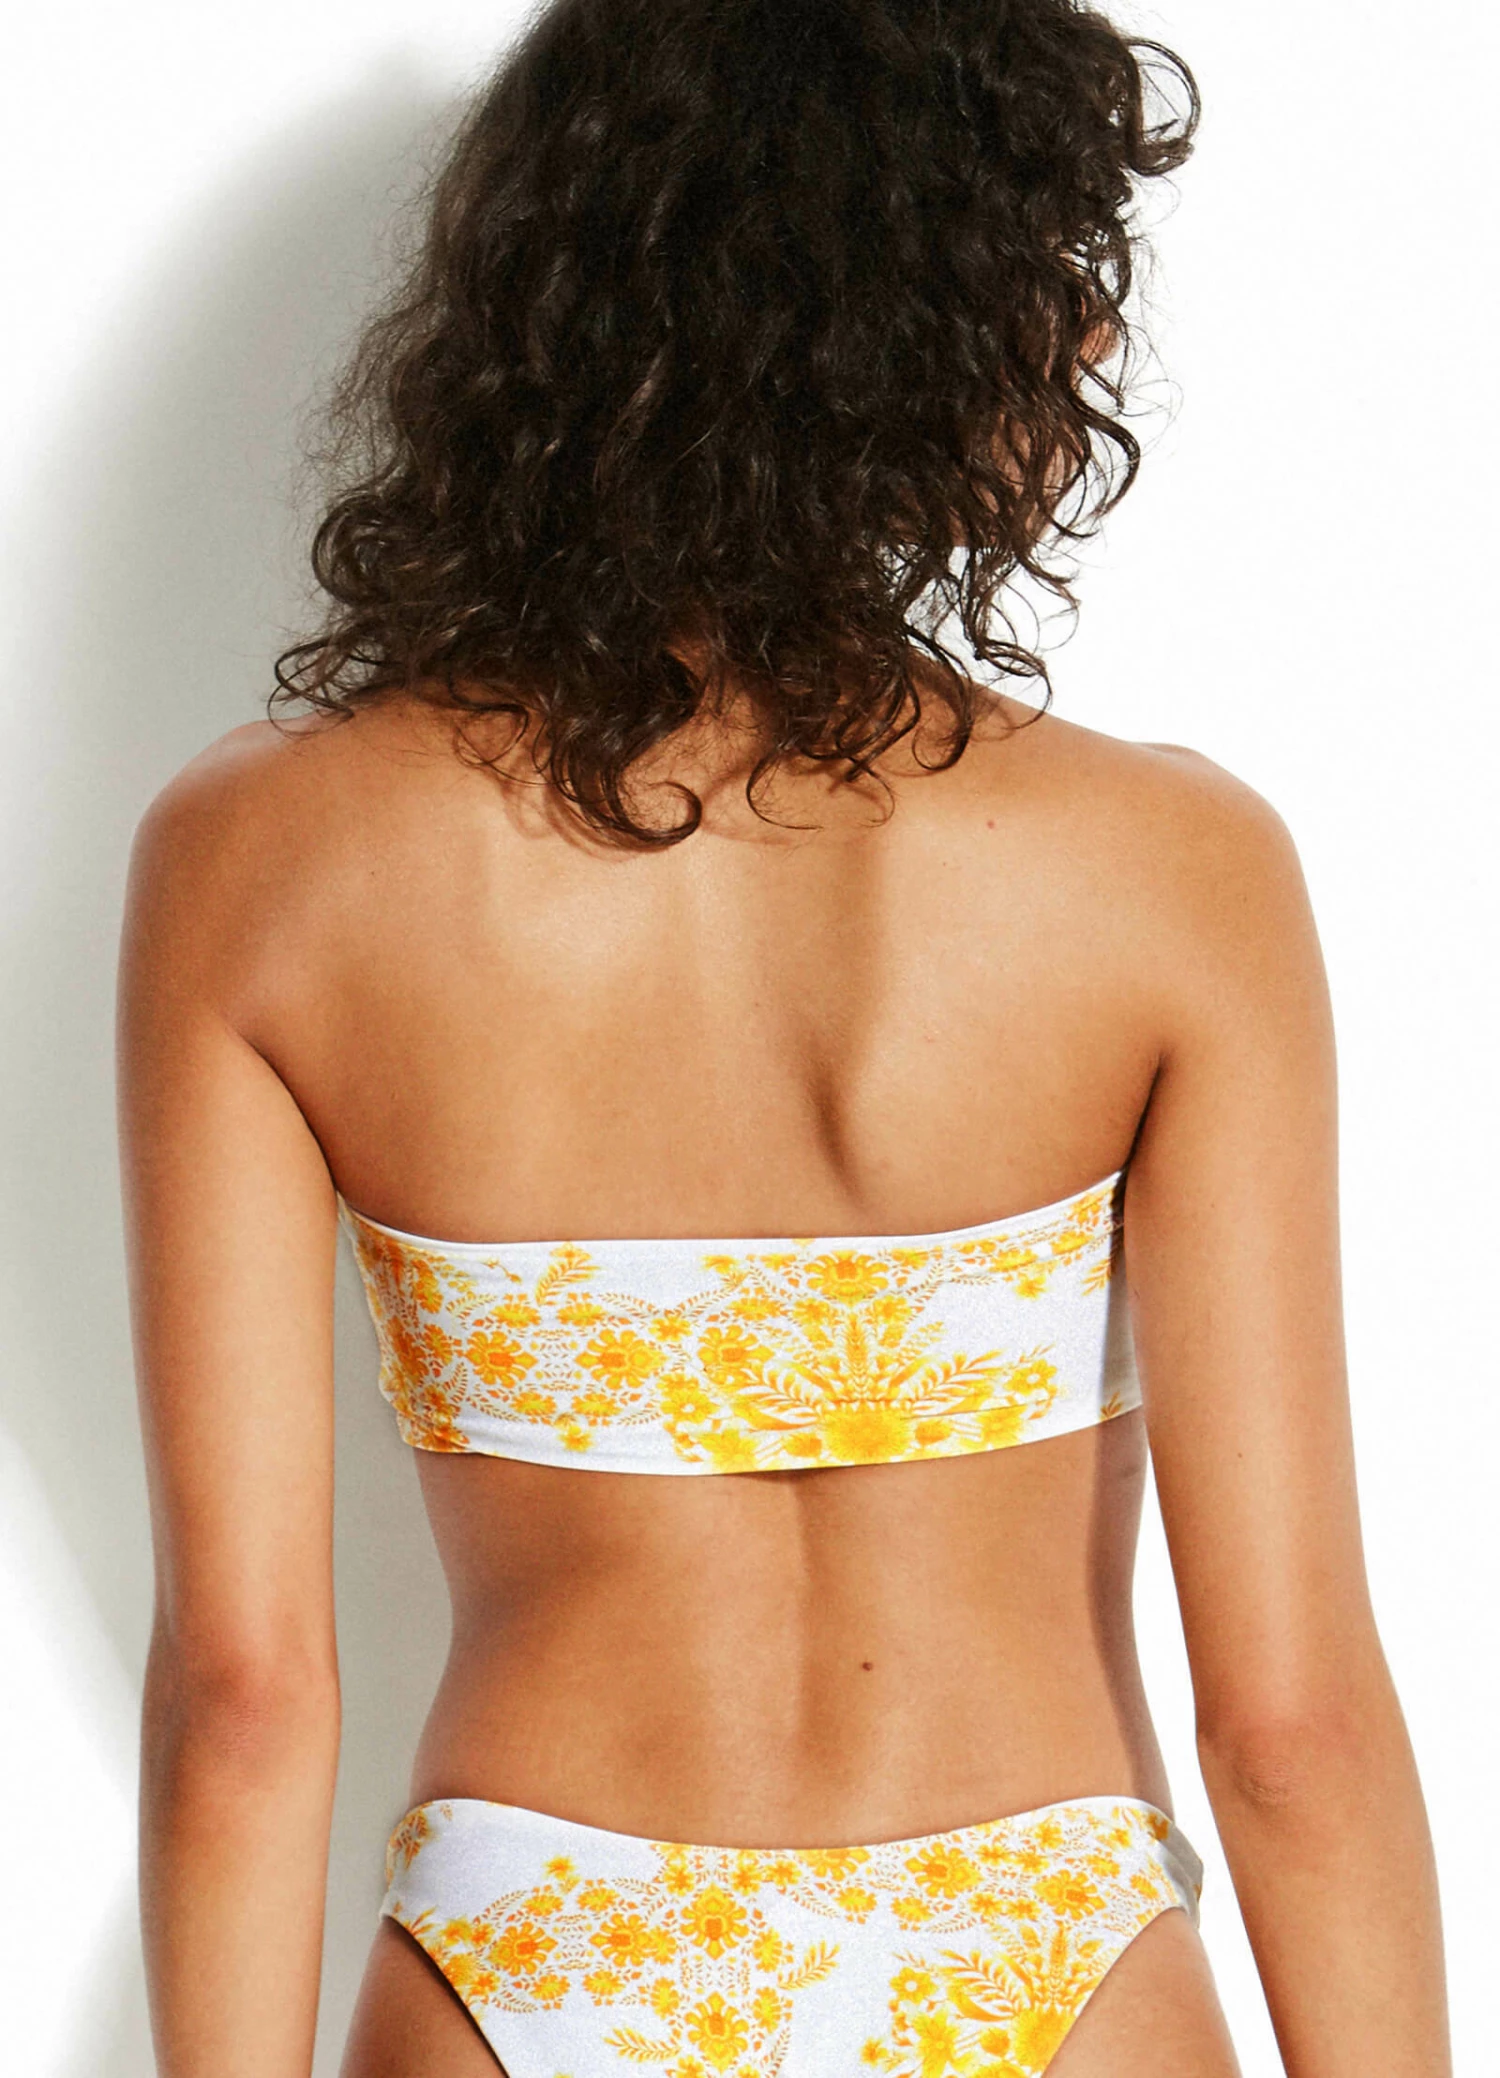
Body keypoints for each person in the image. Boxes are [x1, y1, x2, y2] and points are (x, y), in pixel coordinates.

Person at [119, 2, 1450, 2074]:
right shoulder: (1174, 874)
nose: (1090, 331)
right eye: (1047, 263)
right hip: (1046, 1945)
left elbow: (246, 1696)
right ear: (917, 318)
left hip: (534, 1948)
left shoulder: (262, 860)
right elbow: (1291, 1726)